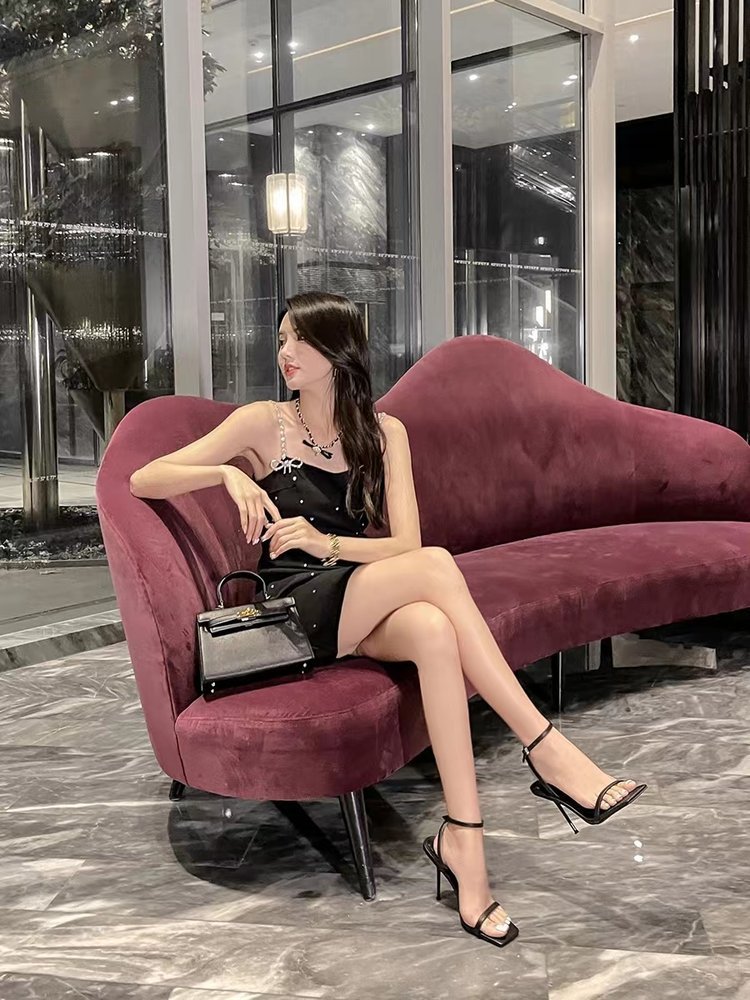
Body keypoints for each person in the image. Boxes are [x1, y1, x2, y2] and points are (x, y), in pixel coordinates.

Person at [130, 290, 647, 950]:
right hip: (294, 604)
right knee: (437, 568)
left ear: (337, 350)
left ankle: (465, 844)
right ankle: (546, 748)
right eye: (282, 338)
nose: (285, 351)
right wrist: (227, 478)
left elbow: (405, 544)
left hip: (350, 589)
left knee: (433, 629)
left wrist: (327, 542)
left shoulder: (383, 433)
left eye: (299, 339)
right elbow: (146, 477)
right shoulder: (264, 423)